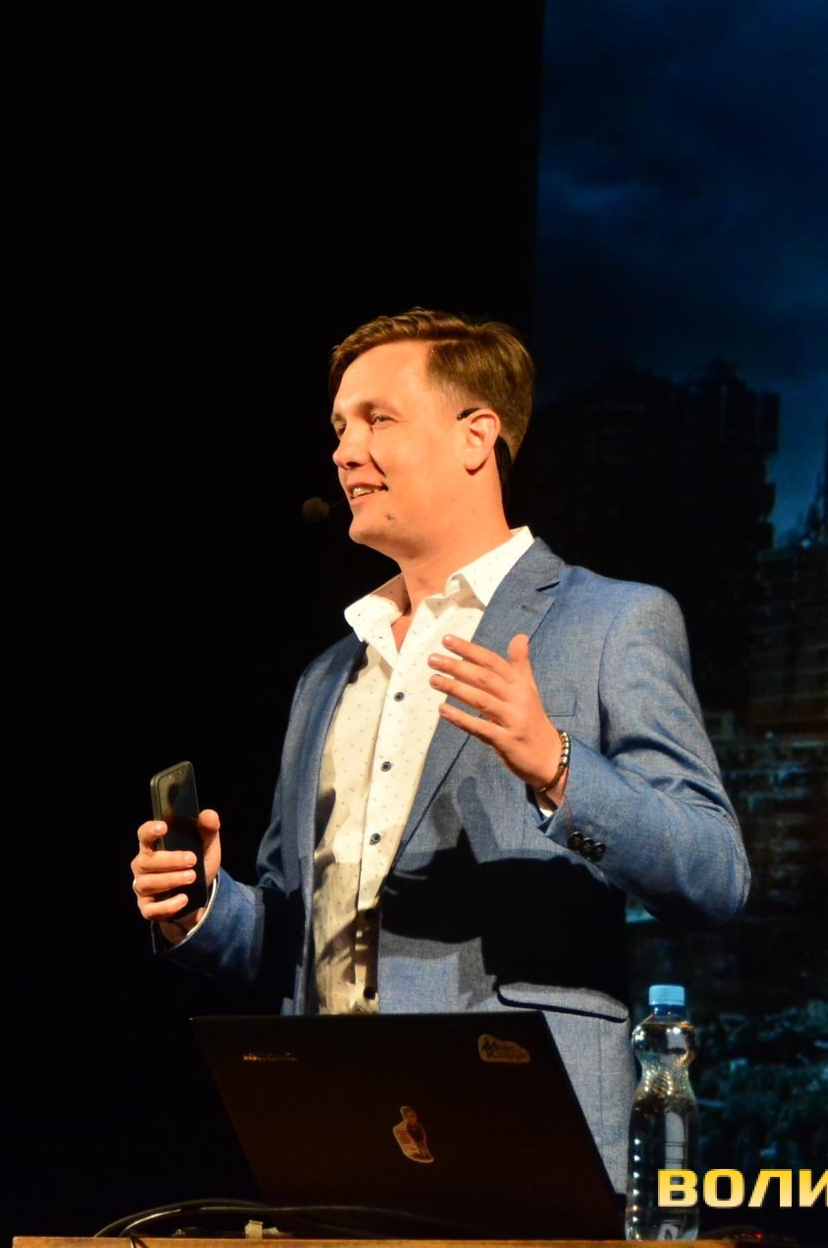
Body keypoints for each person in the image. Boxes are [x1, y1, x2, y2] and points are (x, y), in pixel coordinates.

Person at [129, 307, 748, 1191]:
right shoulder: (327, 676)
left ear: (475, 437)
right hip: (333, 1137)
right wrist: (200, 907)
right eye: (340, 428)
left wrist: (558, 765)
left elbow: (716, 873)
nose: (346, 453)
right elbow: (296, 942)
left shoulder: (613, 621)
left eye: (378, 420)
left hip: (528, 1133)